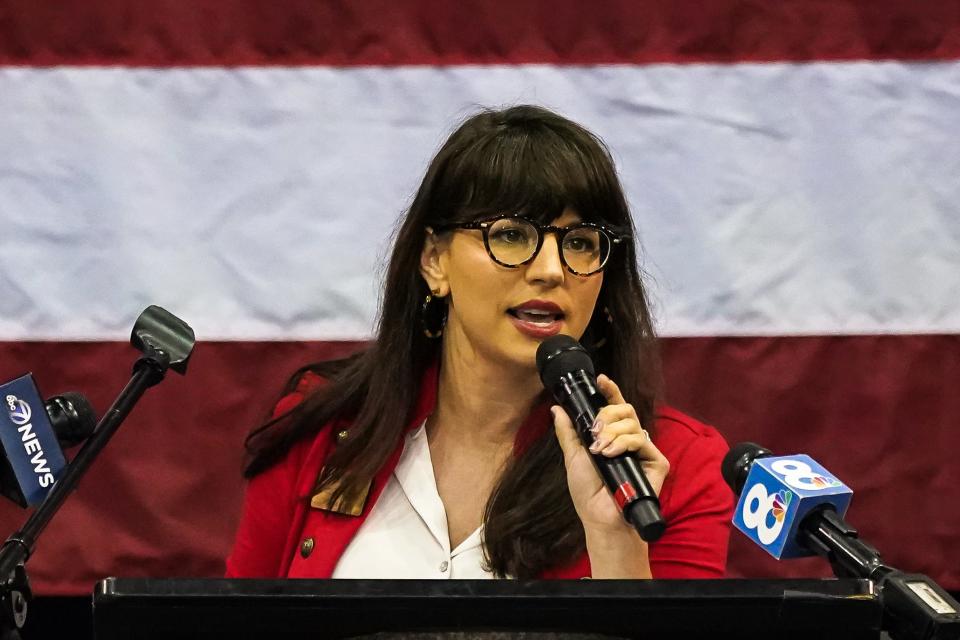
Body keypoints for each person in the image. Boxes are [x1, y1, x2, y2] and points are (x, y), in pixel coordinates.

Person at [226, 105, 734, 580]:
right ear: (434, 261)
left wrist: (615, 540)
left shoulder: (674, 466)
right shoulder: (326, 425)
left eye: (580, 242)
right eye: (511, 235)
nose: (552, 270)